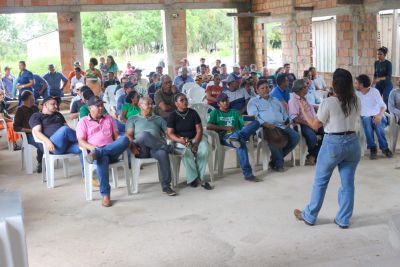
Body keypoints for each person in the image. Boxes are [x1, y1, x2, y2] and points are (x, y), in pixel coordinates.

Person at [294, 68, 361, 229]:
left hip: (333, 144)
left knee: (321, 182)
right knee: (348, 183)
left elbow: (315, 126)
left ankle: (309, 215)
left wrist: (304, 109)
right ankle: (343, 219)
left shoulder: (329, 102)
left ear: (335, 84)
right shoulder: (356, 100)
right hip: (353, 143)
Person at [76, 96, 130, 207]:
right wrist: (91, 148)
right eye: (98, 106)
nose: (101, 108)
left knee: (125, 139)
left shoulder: (109, 119)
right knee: (102, 158)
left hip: (111, 151)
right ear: (90, 108)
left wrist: (121, 139)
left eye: (102, 105)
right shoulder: (83, 122)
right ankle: (106, 195)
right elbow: (81, 141)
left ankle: (100, 152)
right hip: (95, 151)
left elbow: (116, 136)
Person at [125, 97, 178, 196]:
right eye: (147, 104)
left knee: (163, 153)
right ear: (140, 105)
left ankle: (166, 186)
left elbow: (168, 133)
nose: (150, 106)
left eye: (151, 104)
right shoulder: (133, 119)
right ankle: (171, 149)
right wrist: (133, 148)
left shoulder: (158, 119)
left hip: (156, 148)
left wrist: (177, 138)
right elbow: (129, 136)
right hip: (142, 149)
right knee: (143, 135)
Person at [248, 79, 300, 172]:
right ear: (257, 90)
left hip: (281, 126)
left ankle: (275, 159)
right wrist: (265, 124)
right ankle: (279, 164)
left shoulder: (275, 100)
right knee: (275, 139)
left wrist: (288, 121)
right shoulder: (253, 102)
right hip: (264, 128)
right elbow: (254, 117)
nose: (265, 90)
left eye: (267, 87)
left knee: (295, 136)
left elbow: (284, 113)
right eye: (262, 88)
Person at [207, 93, 261, 182]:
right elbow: (209, 126)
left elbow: (243, 123)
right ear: (218, 104)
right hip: (225, 138)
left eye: (227, 100)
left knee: (256, 123)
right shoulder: (215, 112)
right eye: (223, 101)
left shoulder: (235, 112)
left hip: (237, 135)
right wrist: (224, 128)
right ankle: (248, 174)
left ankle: (236, 137)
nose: (226, 102)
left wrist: (250, 123)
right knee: (241, 143)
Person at [167, 93, 213, 190]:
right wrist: (181, 140)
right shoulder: (172, 116)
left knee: (204, 149)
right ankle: (194, 178)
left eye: (186, 99)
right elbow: (170, 133)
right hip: (180, 140)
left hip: (195, 138)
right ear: (176, 103)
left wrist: (196, 144)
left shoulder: (192, 113)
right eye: (182, 100)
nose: (185, 102)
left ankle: (199, 177)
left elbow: (199, 130)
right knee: (186, 152)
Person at [355, 74, 392, 159]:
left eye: (356, 83)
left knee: (378, 125)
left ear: (362, 84)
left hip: (378, 115)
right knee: (367, 121)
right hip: (365, 117)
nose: (355, 85)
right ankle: (372, 148)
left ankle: (384, 148)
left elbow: (383, 106)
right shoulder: (356, 94)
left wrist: (379, 116)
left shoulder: (374, 92)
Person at [288, 79, 324, 165]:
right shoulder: (293, 101)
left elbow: (310, 108)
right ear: (300, 89)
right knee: (312, 137)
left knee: (327, 134)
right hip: (302, 125)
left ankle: (312, 155)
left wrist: (319, 107)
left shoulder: (304, 98)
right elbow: (295, 118)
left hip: (313, 121)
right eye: (305, 87)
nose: (307, 88)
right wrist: (310, 125)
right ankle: (313, 154)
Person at [13, 91, 42, 172]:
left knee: (50, 139)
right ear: (28, 98)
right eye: (33, 96)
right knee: (41, 144)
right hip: (28, 135)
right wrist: (31, 130)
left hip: (39, 132)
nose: (34, 97)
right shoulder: (20, 110)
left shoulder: (35, 107)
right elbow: (16, 127)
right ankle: (41, 162)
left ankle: (44, 159)